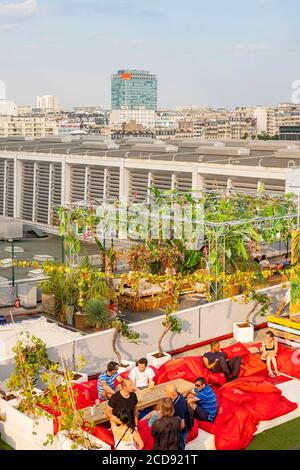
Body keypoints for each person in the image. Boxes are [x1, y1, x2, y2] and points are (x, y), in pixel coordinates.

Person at [165, 383, 189, 450]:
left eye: (167, 392)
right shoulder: (178, 394)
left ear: (172, 393)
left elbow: (182, 425)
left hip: (182, 432)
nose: (165, 394)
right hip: (177, 424)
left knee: (180, 446)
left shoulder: (179, 407)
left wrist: (175, 432)